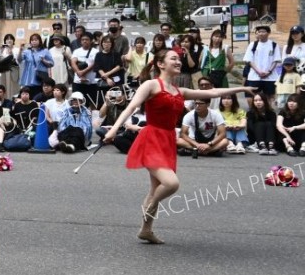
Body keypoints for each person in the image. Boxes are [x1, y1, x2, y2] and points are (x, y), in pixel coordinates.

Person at [104, 49, 255, 244]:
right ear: (160, 64)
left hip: (167, 140)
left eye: (178, 59)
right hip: (151, 139)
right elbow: (132, 106)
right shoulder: (151, 85)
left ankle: (146, 230)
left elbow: (213, 92)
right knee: (171, 184)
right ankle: (150, 209)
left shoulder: (180, 91)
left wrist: (242, 89)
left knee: (156, 187)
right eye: (173, 58)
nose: (178, 61)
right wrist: (114, 130)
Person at [243, 25, 281, 107]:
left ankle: (269, 114)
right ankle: (254, 113)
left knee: (270, 96)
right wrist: (258, 71)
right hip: (254, 76)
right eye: (259, 32)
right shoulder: (253, 45)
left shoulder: (274, 45)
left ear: (268, 33)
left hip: (270, 77)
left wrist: (269, 72)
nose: (261, 33)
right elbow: (249, 60)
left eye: (263, 31)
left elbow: (276, 60)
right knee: (252, 96)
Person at [17, 33, 54, 99]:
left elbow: (51, 63)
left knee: (38, 97)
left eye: (36, 40)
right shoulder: (27, 51)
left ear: (39, 41)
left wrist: (44, 60)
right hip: (28, 78)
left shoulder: (45, 51)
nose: (34, 41)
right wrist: (20, 50)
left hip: (40, 77)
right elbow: (19, 60)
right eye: (32, 40)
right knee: (29, 97)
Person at [71, 32, 97, 108]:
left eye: (87, 39)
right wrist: (78, 72)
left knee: (93, 102)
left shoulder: (95, 51)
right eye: (83, 39)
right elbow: (73, 62)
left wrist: (82, 72)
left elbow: (94, 64)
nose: (84, 41)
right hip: (78, 82)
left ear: (91, 40)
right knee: (77, 102)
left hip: (91, 82)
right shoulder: (76, 51)